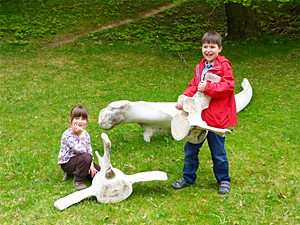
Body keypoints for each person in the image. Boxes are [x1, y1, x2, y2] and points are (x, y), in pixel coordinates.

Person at [172, 31, 237, 194]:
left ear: (219, 49)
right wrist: (184, 99)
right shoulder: (200, 66)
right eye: (205, 46)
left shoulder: (224, 66)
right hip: (197, 117)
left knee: (218, 152)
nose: (208, 50)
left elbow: (228, 86)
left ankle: (223, 180)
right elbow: (194, 85)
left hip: (216, 117)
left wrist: (209, 88)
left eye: (212, 47)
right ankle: (188, 178)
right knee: (191, 149)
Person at [58, 105, 101, 190]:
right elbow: (80, 150)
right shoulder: (67, 134)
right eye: (77, 118)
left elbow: (89, 150)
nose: (80, 121)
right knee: (86, 158)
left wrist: (91, 165)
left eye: (83, 119)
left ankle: (89, 175)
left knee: (99, 171)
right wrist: (80, 135)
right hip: (68, 163)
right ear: (71, 120)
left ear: (87, 121)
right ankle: (78, 180)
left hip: (83, 160)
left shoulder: (85, 133)